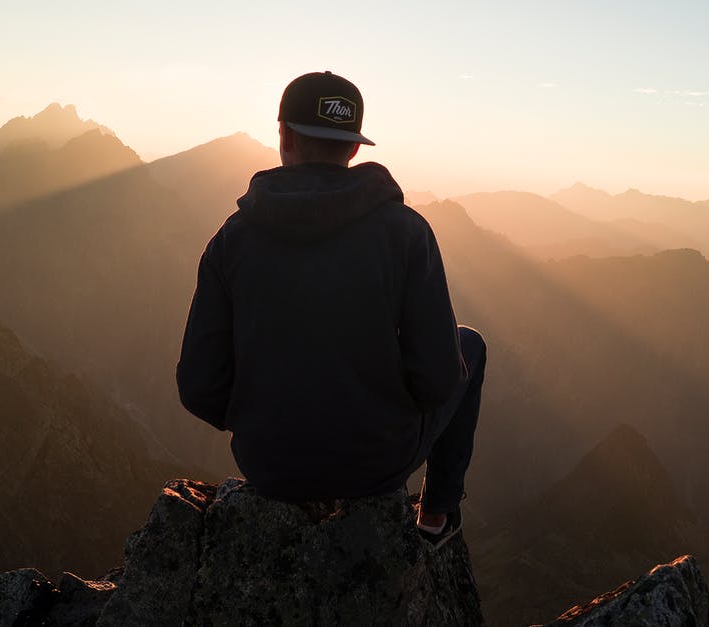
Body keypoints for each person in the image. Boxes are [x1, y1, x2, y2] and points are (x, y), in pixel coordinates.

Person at [177, 71, 485, 544]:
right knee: (470, 345)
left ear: (283, 136)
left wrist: (265, 419)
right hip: (376, 465)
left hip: (268, 465)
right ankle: (436, 517)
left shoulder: (231, 240)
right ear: (355, 148)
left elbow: (199, 387)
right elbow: (440, 378)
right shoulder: (406, 234)